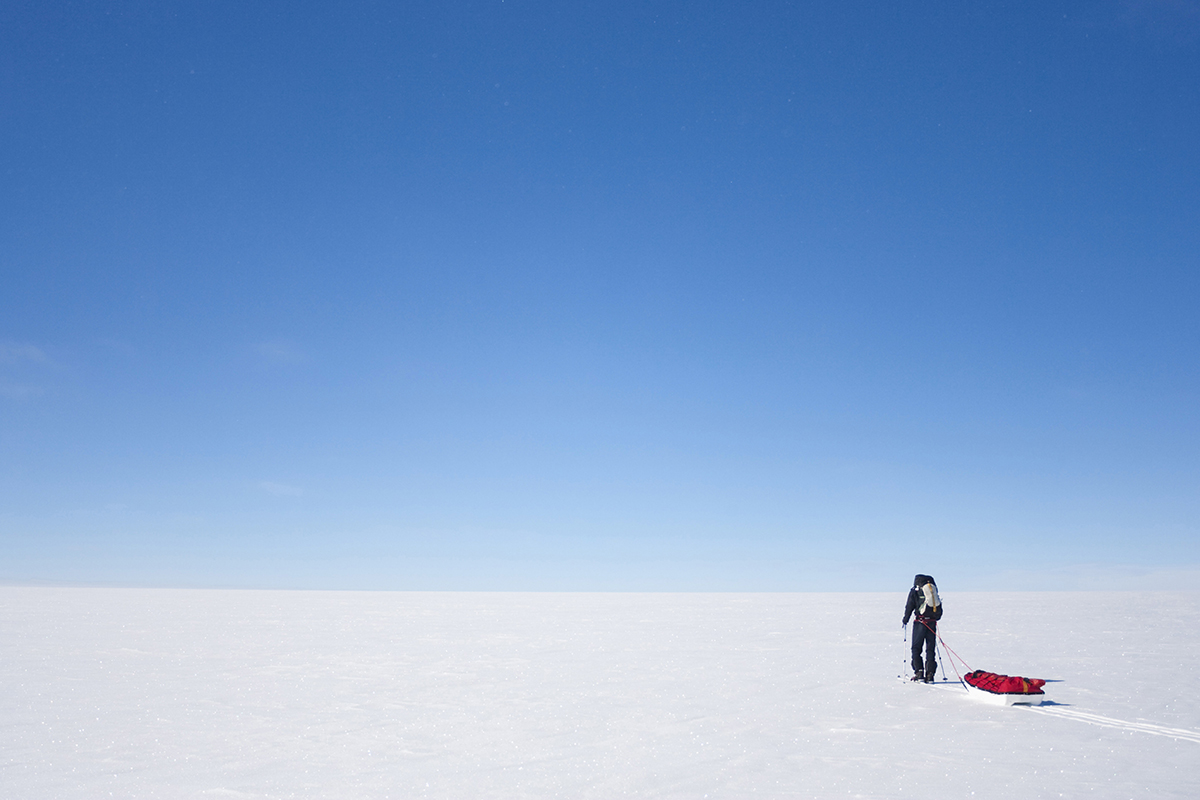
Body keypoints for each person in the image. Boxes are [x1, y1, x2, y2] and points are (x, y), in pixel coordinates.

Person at [902, 574, 943, 682]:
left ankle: (919, 672)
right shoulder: (932, 590)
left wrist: (905, 620)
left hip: (920, 622)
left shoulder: (915, 590)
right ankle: (930, 675)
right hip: (932, 622)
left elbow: (909, 605)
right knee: (930, 649)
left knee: (916, 648)